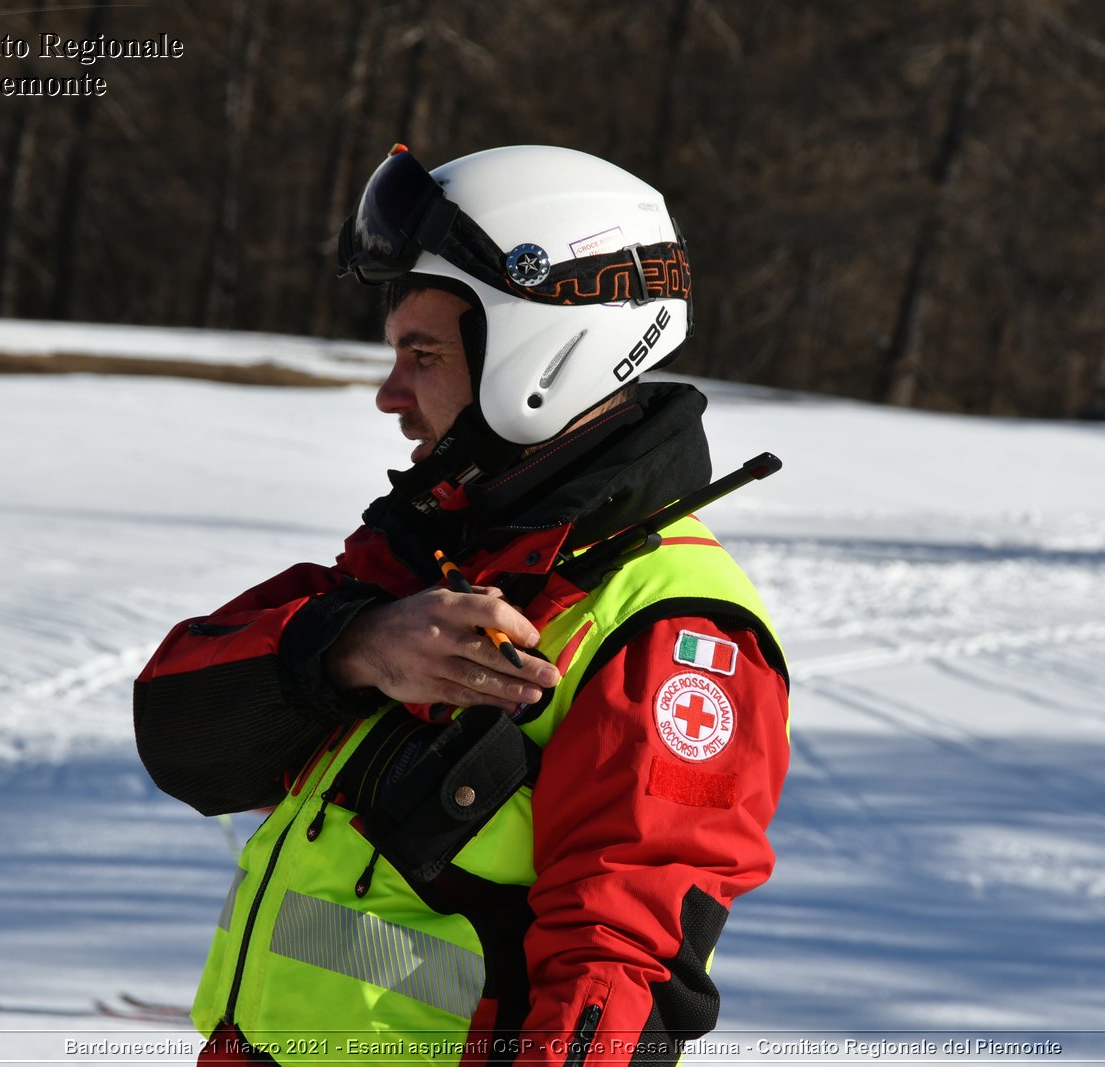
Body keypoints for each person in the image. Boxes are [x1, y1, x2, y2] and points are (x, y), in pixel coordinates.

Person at [134, 144, 791, 1066]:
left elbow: (620, 976)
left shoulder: (668, 629)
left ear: (542, 359)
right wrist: (351, 648)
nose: (389, 393)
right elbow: (179, 731)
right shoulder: (427, 553)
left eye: (423, 353)